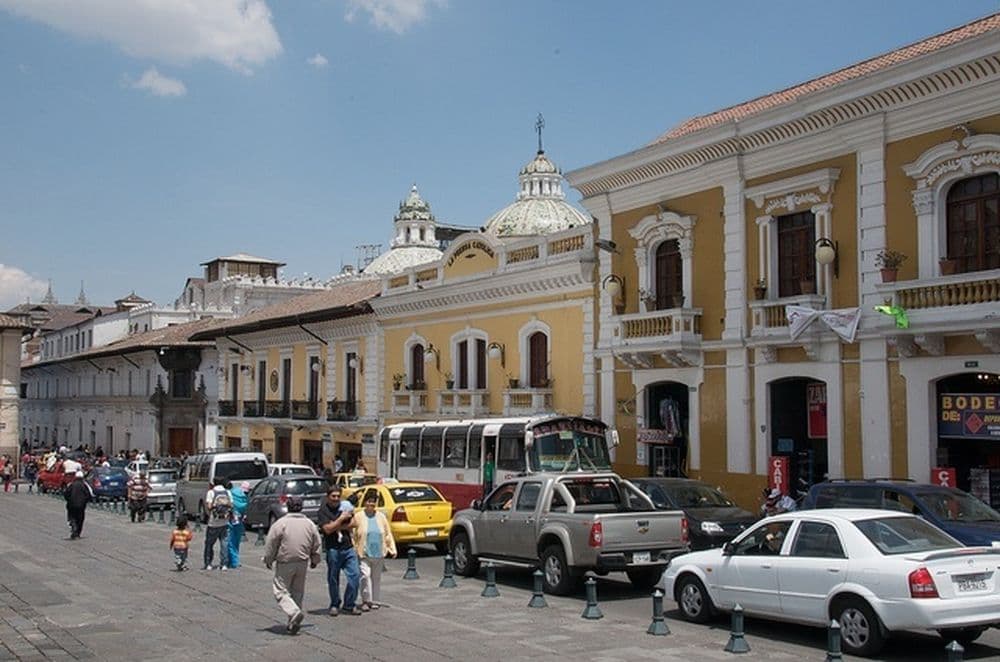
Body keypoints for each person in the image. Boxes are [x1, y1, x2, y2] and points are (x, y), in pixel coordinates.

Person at [263, 495, 322, 635]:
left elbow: (271, 543)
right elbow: (317, 542)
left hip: (285, 561)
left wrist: (268, 559)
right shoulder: (309, 524)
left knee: (280, 591)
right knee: (297, 592)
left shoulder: (280, 523)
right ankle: (293, 622)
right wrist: (315, 559)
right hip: (302, 562)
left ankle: (294, 612)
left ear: (287, 507)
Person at [317, 486, 361, 616]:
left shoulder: (345, 506)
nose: (336, 499)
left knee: (355, 576)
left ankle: (349, 604)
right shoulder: (323, 511)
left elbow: (354, 523)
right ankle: (335, 603)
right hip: (333, 549)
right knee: (333, 578)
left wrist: (336, 524)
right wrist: (341, 519)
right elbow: (327, 529)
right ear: (328, 496)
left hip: (348, 548)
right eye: (333, 496)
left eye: (338, 496)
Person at [352, 493, 396, 611]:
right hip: (364, 553)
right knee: (365, 576)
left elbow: (387, 534)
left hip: (378, 553)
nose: (371, 504)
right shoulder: (358, 516)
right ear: (364, 502)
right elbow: (354, 534)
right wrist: (354, 548)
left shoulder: (381, 517)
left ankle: (375, 600)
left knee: (376, 578)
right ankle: (366, 600)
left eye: (373, 502)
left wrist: (392, 548)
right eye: (369, 501)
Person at [203, 478, 232, 570]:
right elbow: (231, 505)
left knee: (209, 544)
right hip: (225, 521)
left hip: (213, 522)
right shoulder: (228, 492)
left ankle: (208, 563)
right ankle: (224, 564)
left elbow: (209, 506)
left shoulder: (211, 492)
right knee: (224, 543)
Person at [227, 480, 250, 569]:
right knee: (235, 542)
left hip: (231, 520)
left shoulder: (233, 493)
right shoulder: (245, 499)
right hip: (239, 522)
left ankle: (232, 561)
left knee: (230, 541)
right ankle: (234, 561)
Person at [64, 471, 93, 539]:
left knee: (72, 517)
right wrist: (85, 501)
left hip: (71, 505)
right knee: (80, 519)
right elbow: (89, 495)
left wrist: (69, 500)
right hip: (81, 506)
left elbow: (66, 494)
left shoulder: (71, 484)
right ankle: (77, 532)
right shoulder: (84, 485)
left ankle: (74, 527)